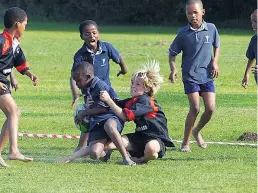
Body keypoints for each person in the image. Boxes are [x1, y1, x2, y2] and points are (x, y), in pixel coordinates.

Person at [58, 62, 135, 165]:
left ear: (88, 76)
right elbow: (91, 106)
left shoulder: (100, 86)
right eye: (75, 81)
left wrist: (84, 113)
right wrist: (82, 118)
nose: (77, 84)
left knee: (110, 126)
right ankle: (106, 151)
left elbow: (103, 108)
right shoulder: (85, 87)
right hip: (97, 121)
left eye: (78, 80)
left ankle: (126, 158)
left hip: (111, 116)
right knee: (94, 153)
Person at [168, 0, 220, 152]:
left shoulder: (211, 28)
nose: (192, 16)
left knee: (210, 108)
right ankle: (185, 143)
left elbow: (216, 46)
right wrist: (173, 69)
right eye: (189, 13)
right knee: (195, 108)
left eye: (195, 12)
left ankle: (196, 131)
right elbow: (172, 54)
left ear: (202, 12)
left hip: (207, 75)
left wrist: (215, 62)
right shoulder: (183, 34)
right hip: (190, 76)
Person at [100, 60, 175, 164]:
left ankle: (141, 159)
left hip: (155, 139)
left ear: (148, 88)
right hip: (139, 137)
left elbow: (124, 116)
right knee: (107, 146)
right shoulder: (132, 101)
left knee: (151, 149)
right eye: (132, 83)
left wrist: (108, 100)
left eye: (138, 84)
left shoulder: (147, 101)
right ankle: (107, 153)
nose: (133, 86)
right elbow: (115, 105)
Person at [70, 20, 128, 152]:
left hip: (105, 90)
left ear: (98, 34)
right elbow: (73, 76)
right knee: (89, 117)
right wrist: (75, 95)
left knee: (110, 113)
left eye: (94, 33)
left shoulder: (107, 47)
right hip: (89, 92)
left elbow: (119, 58)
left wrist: (124, 70)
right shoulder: (80, 55)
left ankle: (112, 142)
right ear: (81, 36)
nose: (91, 36)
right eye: (87, 33)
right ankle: (81, 146)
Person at [0, 7, 39, 167]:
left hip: (4, 82)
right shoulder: (2, 41)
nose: (25, 27)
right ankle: (13, 151)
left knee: (13, 113)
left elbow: (19, 63)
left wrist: (30, 74)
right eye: (25, 24)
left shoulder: (14, 43)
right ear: (17, 24)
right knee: (13, 112)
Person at [242, 9, 257, 88]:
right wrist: (246, 74)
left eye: (255, 21)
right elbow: (251, 57)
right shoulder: (254, 40)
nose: (253, 24)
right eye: (252, 22)